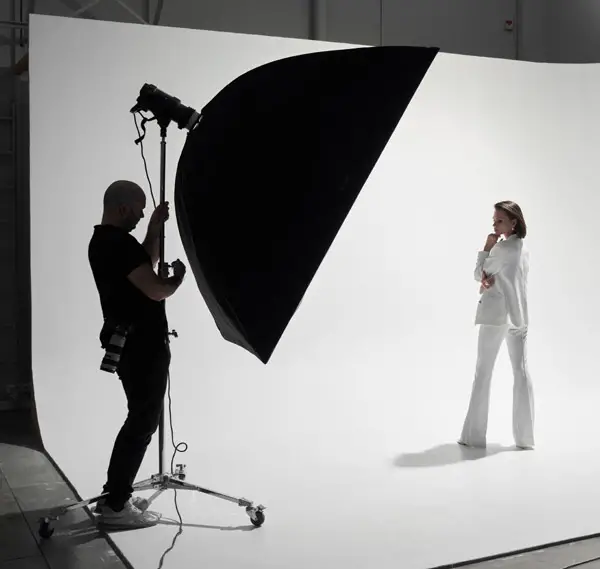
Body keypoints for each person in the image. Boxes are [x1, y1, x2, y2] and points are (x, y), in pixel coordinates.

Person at [88, 180, 187, 528]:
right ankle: (116, 505)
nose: (142, 213)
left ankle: (116, 495)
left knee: (139, 417)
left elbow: (143, 260)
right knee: (142, 421)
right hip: (142, 345)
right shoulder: (118, 244)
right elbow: (155, 289)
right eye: (140, 208)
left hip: (126, 342)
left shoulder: (104, 242)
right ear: (122, 207)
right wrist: (176, 280)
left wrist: (153, 229)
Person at [458, 201, 534, 450]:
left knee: (483, 373)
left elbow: (478, 273)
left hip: (496, 317)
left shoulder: (500, 250)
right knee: (520, 372)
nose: (494, 224)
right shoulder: (523, 249)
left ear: (514, 222)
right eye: (494, 220)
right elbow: (504, 278)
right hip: (519, 318)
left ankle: (473, 436)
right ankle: (525, 438)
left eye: (499, 220)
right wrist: (489, 280)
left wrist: (486, 248)